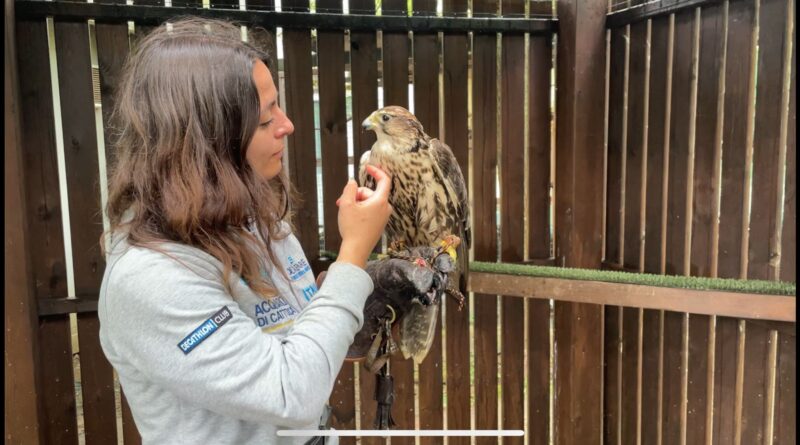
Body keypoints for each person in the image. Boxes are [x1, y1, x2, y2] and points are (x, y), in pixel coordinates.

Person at [98, 18, 392, 445]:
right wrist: (353, 256)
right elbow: (291, 394)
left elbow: (299, 340)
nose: (287, 125)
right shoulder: (150, 277)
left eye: (278, 107)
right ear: (207, 140)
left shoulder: (257, 224)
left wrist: (365, 297)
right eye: (265, 118)